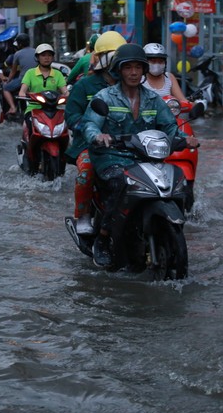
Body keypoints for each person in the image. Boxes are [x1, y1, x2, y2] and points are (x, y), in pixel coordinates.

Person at [80, 43, 199, 267]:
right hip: (112, 156)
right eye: (128, 68)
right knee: (120, 181)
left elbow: (170, 127)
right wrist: (99, 136)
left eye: (138, 67)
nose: (133, 73)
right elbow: (89, 125)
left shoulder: (153, 99)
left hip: (144, 157)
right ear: (119, 70)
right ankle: (104, 238)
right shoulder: (105, 97)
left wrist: (185, 139)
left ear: (143, 70)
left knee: (176, 180)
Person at [65, 31, 127, 235]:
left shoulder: (131, 86)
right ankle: (83, 215)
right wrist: (91, 130)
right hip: (90, 145)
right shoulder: (85, 85)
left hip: (126, 143)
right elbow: (72, 116)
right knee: (86, 172)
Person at [18, 43, 68, 114]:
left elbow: (65, 92)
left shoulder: (58, 74)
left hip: (53, 109)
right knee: (26, 124)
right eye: (43, 55)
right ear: (37, 57)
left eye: (49, 55)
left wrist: (70, 95)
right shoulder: (30, 73)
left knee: (65, 122)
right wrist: (26, 95)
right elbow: (22, 92)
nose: (46, 58)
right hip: (33, 109)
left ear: (52, 57)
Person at [2, 33, 37, 117]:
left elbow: (13, 71)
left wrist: (8, 81)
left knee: (5, 89)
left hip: (23, 80)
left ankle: (13, 107)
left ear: (19, 44)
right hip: (36, 79)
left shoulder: (17, 54)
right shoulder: (36, 51)